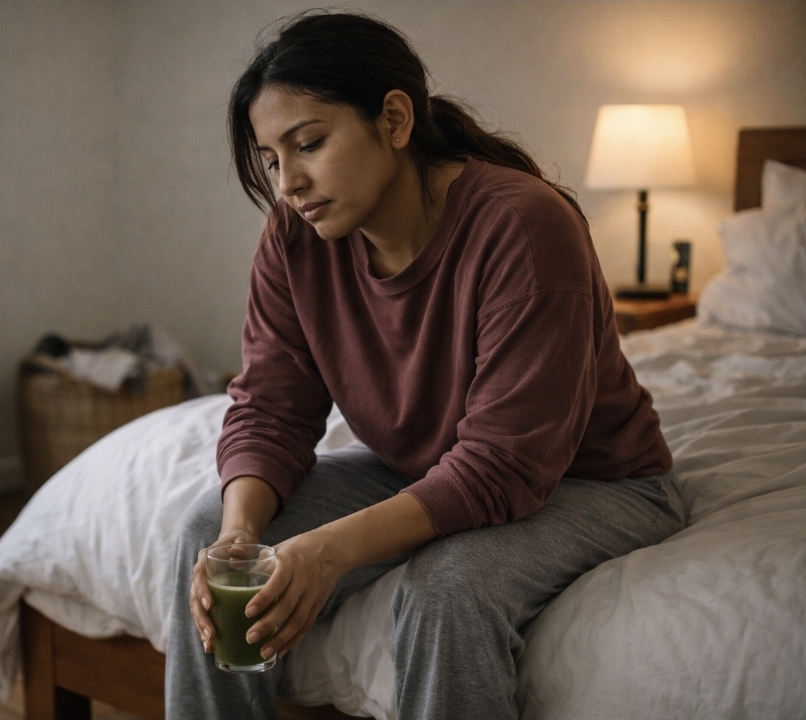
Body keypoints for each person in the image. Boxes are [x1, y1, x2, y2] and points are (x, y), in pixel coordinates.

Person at [165, 11, 685, 720]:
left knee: (448, 587)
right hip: (425, 465)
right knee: (207, 536)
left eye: (309, 144)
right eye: (271, 159)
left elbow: (503, 465)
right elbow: (271, 406)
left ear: (396, 119)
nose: (288, 183)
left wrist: (324, 553)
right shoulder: (295, 236)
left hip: (592, 482)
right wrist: (238, 536)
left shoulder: (525, 227)